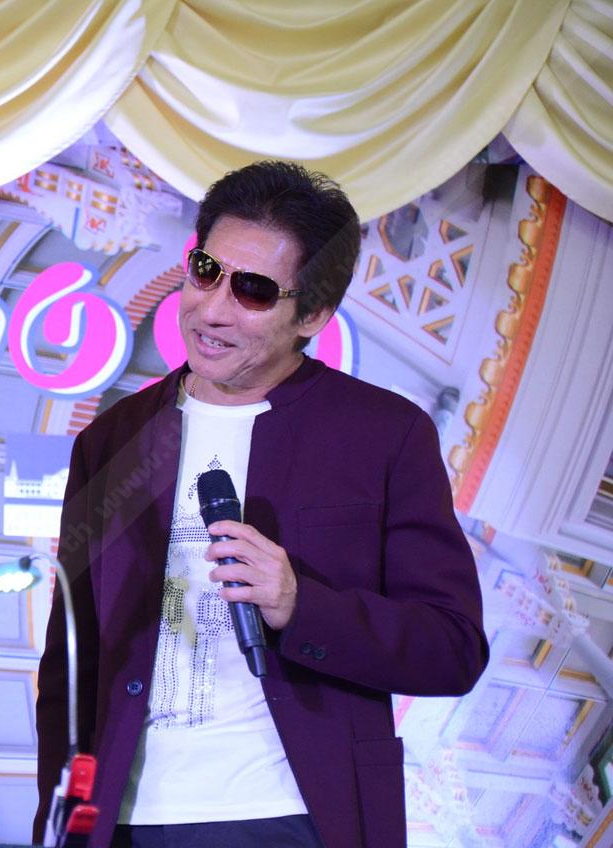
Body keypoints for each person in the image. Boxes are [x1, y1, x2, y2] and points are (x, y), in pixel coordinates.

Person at [33, 161, 488, 848]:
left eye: (253, 291)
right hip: (124, 821)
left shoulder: (384, 435)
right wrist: (57, 822)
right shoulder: (112, 440)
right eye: (206, 272)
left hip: (294, 817)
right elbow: (71, 664)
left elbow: (451, 649)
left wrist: (301, 604)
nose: (212, 309)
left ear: (314, 315)